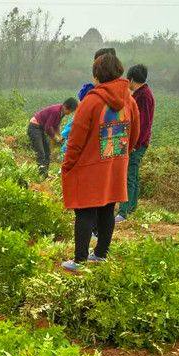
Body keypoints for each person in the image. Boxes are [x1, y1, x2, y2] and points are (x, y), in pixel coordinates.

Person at [61, 53, 140, 272]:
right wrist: (121, 155)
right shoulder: (129, 101)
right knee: (107, 208)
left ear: (97, 74)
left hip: (90, 166)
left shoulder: (92, 101)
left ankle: (79, 260)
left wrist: (68, 164)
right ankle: (100, 254)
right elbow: (134, 135)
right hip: (115, 163)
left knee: (85, 211)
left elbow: (76, 139)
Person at [116, 64, 155, 223]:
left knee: (129, 176)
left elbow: (143, 124)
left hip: (138, 144)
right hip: (139, 142)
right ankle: (132, 207)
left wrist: (133, 145)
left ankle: (123, 212)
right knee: (134, 175)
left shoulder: (143, 96)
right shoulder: (142, 93)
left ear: (131, 79)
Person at [28, 98, 78, 178]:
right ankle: (41, 175)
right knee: (41, 152)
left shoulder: (62, 112)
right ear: (66, 107)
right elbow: (48, 127)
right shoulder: (56, 111)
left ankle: (45, 174)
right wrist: (55, 137)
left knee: (47, 151)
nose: (70, 113)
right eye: (70, 111)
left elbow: (56, 125)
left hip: (40, 128)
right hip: (34, 127)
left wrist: (59, 135)